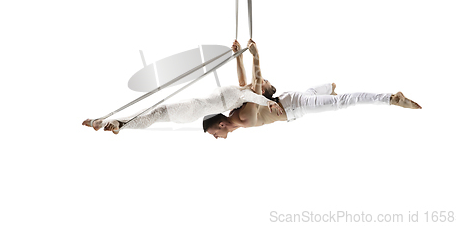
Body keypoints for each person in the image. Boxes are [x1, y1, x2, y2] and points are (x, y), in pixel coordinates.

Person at [203, 40, 421, 139]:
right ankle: (328, 88)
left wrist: (255, 57)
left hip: (294, 106)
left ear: (221, 124)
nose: (217, 138)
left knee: (340, 103)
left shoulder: (243, 120)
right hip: (289, 99)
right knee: (312, 94)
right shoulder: (234, 114)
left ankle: (391, 98)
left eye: (214, 134)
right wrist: (239, 57)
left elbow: (256, 89)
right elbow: (244, 87)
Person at [82, 39, 281, 134]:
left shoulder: (252, 95)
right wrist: (238, 55)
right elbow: (243, 78)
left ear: (263, 90)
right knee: (155, 114)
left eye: (266, 82)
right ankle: (119, 124)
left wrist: (256, 56)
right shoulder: (242, 93)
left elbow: (256, 82)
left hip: (193, 108)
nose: (263, 80)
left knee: (156, 113)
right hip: (193, 107)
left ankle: (119, 124)